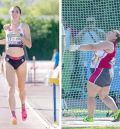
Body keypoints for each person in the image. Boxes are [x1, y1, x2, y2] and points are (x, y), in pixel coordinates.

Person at [70, 30, 120, 122]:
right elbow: (95, 46)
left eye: (113, 32)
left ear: (115, 37)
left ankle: (90, 117)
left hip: (101, 71)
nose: (110, 31)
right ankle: (117, 113)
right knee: (104, 96)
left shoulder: (109, 44)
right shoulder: (106, 44)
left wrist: (77, 47)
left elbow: (92, 47)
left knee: (91, 96)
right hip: (106, 72)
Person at [0, 6, 32, 124]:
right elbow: (7, 41)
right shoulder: (6, 27)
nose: (14, 13)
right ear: (9, 14)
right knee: (10, 89)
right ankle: (13, 115)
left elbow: (29, 45)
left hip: (21, 60)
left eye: (16, 11)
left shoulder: (24, 27)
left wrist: (19, 34)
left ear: (20, 14)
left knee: (21, 89)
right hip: (8, 59)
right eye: (12, 11)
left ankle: (23, 106)